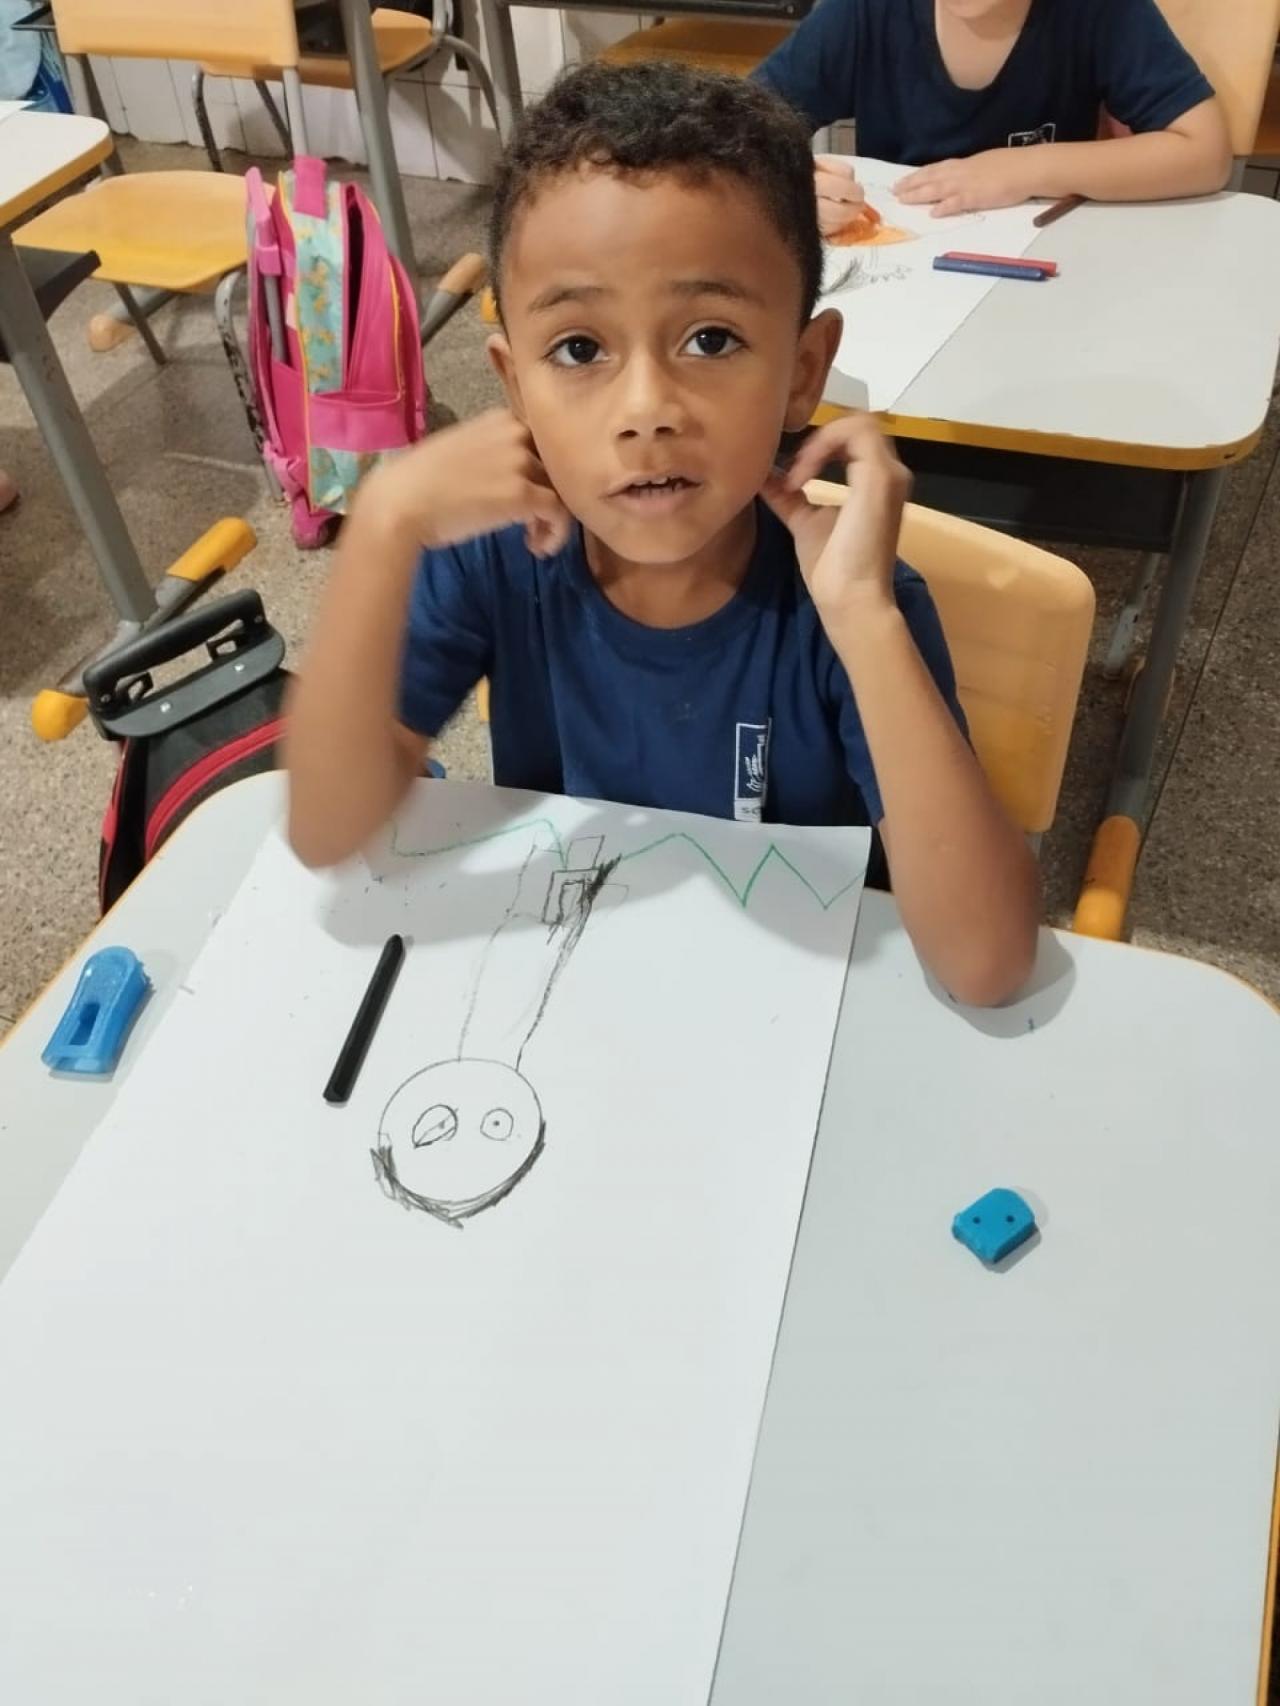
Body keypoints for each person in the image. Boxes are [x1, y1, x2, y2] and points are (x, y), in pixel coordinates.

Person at [286, 60, 1039, 1006]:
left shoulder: (848, 598)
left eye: (710, 339)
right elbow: (325, 829)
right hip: (578, 1004)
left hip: (790, 1021)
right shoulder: (496, 556)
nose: (645, 410)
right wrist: (386, 524)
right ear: (515, 385)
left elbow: (986, 966)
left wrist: (865, 616)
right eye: (579, 349)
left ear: (803, 372)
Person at [753, 0, 1232, 236]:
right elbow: (734, 132)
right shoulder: (864, 11)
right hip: (900, 291)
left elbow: (1205, 152)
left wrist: (1027, 168)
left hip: (1047, 279)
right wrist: (792, 188)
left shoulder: (1099, 11)